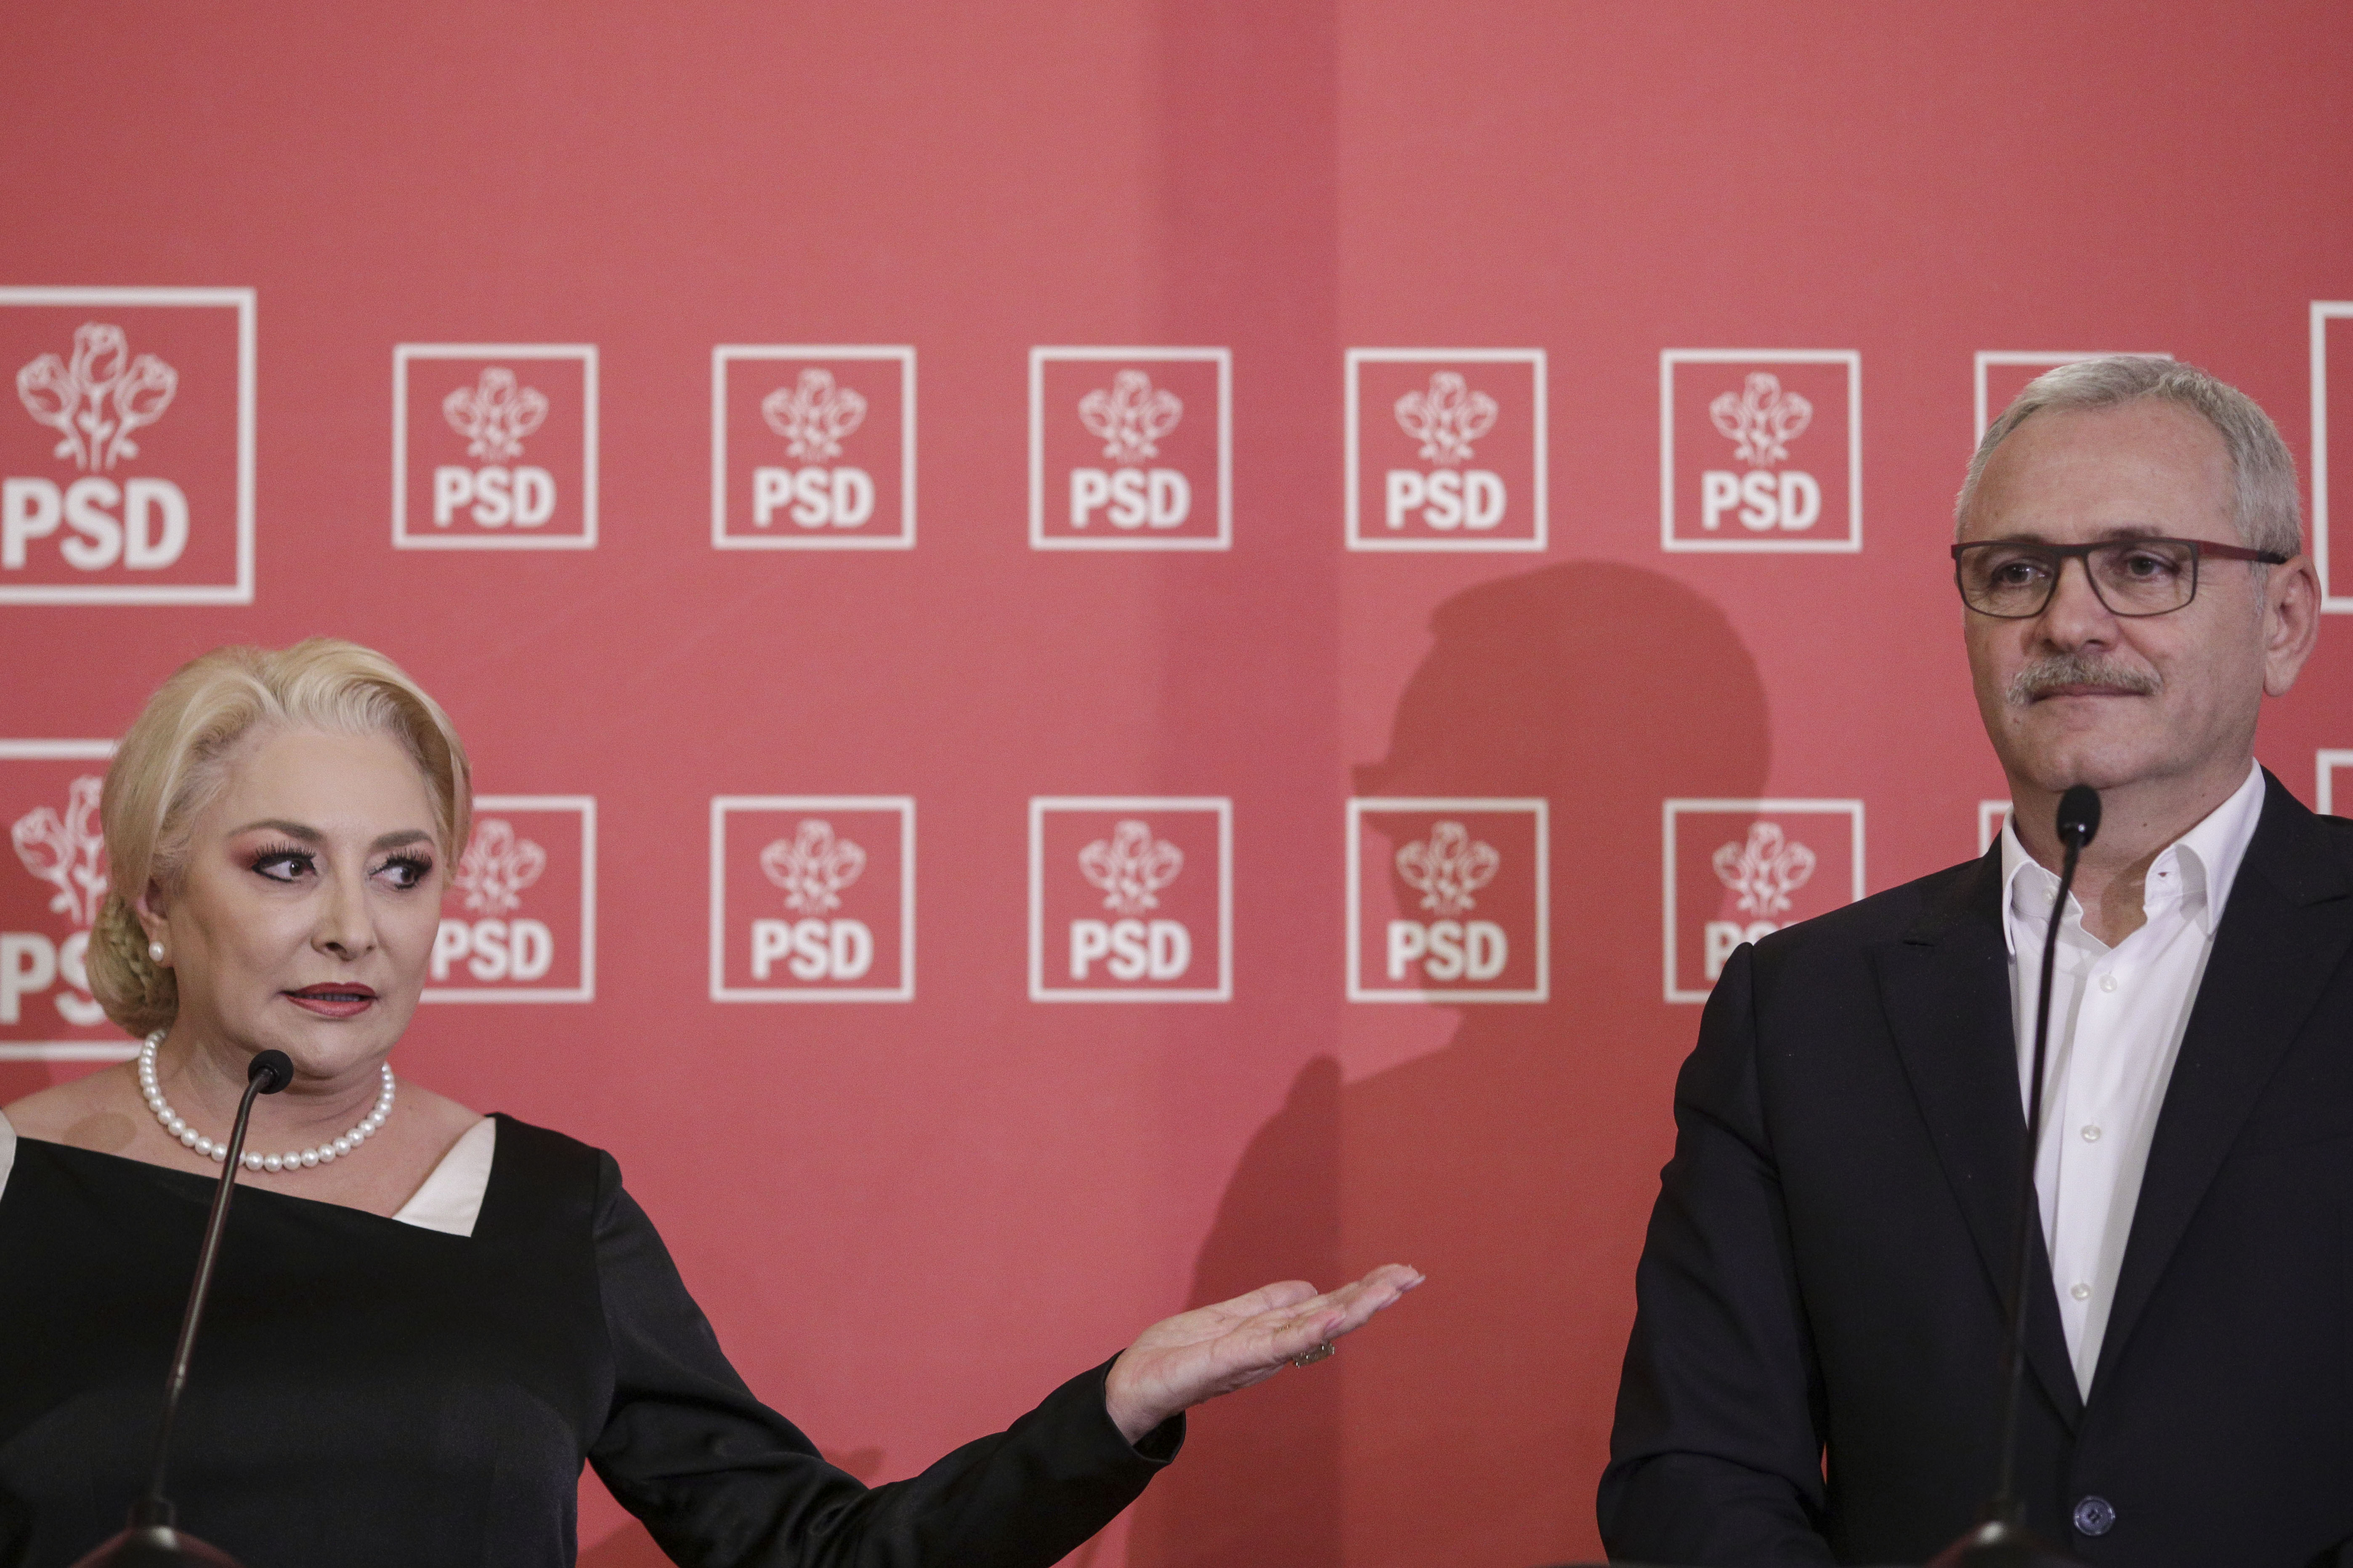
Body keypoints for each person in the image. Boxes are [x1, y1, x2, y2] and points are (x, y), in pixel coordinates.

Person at [0, 639, 1421, 1568]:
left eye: (404, 870)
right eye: (284, 865)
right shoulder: (18, 1186)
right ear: (156, 898)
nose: (353, 928)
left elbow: (809, 1553)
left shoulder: (547, 1209)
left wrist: (1106, 1415)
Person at [1599, 356, 2350, 1567]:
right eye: (2017, 572)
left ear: (2284, 621)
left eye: (2143, 564)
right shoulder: (1803, 1009)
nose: (2069, 622)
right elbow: (1697, 1469)